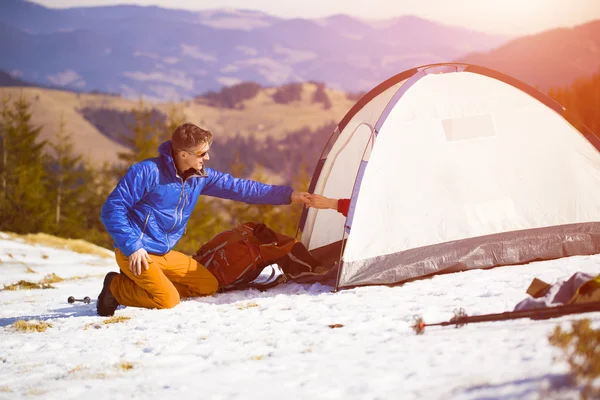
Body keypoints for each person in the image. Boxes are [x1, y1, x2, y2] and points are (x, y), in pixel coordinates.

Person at [97, 122, 310, 316]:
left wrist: (290, 195)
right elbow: (112, 209)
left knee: (208, 285)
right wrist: (133, 246)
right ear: (182, 154)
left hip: (163, 253)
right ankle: (116, 287)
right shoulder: (146, 172)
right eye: (202, 153)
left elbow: (242, 188)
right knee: (167, 300)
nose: (206, 157)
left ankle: (154, 282)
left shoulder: (199, 178)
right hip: (136, 252)